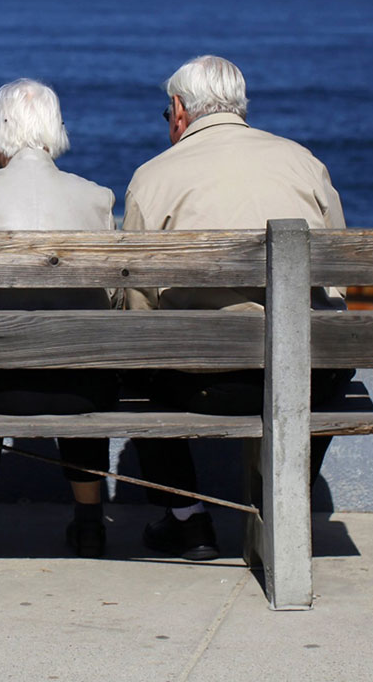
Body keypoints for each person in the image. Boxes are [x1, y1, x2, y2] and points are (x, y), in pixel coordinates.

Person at [123, 54, 354, 561]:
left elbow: (137, 303)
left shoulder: (153, 176)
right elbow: (337, 279)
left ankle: (187, 519)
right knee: (330, 354)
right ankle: (281, 497)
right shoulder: (304, 162)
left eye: (167, 115)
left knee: (130, 361)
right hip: (305, 373)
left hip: (205, 378)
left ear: (180, 110)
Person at [0, 79, 118, 559]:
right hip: (80, 388)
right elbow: (111, 294)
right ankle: (88, 524)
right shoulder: (95, 197)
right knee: (84, 355)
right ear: (54, 129)